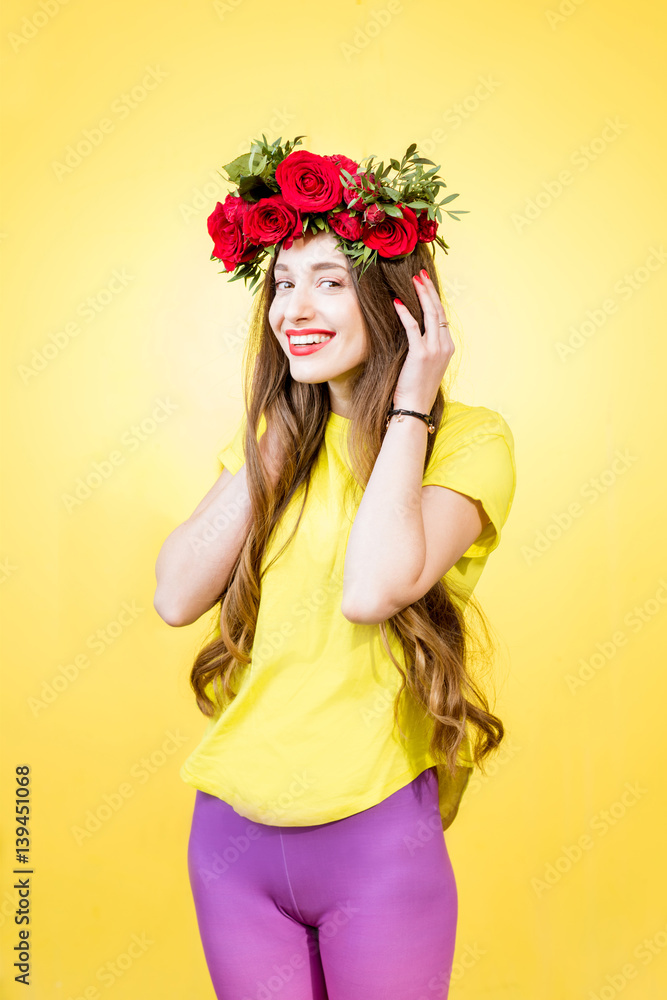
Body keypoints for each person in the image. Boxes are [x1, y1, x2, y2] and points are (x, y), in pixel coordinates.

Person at [154, 136, 517, 1000]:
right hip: (233, 841)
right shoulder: (272, 447)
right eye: (282, 282)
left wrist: (410, 405)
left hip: (375, 840)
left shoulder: (468, 441)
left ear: (397, 301)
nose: (295, 307)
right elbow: (175, 595)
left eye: (329, 280)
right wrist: (281, 420)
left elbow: (371, 590)